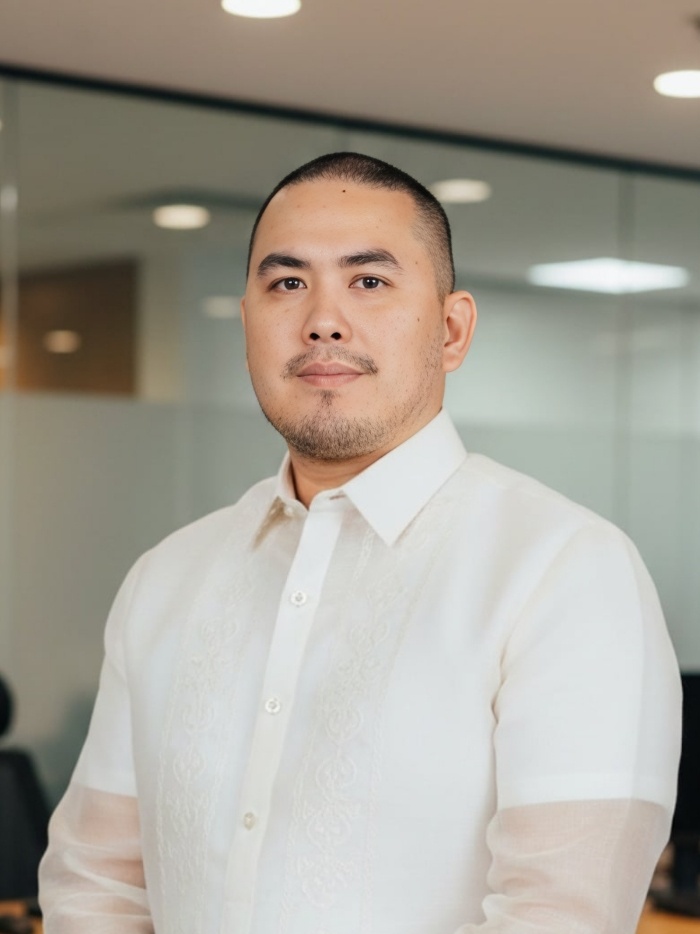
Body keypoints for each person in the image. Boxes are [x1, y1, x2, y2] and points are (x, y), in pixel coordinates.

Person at [39, 152, 681, 934]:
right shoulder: (166, 578)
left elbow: (560, 916)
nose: (323, 320)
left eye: (369, 281)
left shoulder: (564, 570)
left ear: (451, 330)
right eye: (287, 283)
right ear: (246, 324)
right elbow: (97, 884)